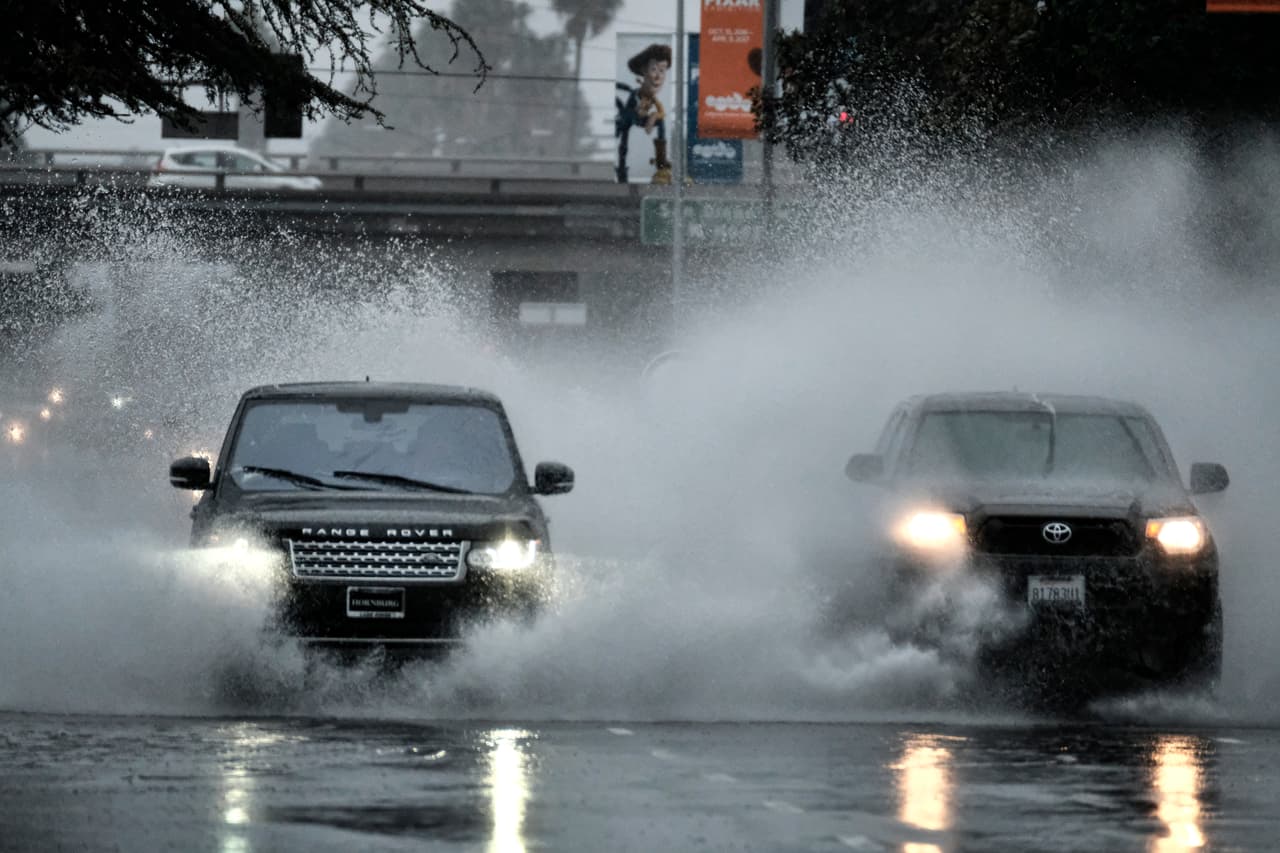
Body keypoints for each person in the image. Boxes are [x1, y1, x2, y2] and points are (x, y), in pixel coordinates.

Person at [614, 43, 673, 185]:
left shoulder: (651, 96)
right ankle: (621, 168)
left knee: (660, 122)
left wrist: (653, 117)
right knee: (623, 131)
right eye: (654, 69)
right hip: (629, 116)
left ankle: (661, 162)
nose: (658, 75)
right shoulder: (638, 93)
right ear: (644, 70)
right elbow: (632, 109)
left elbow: (661, 111)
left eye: (662, 70)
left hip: (638, 117)